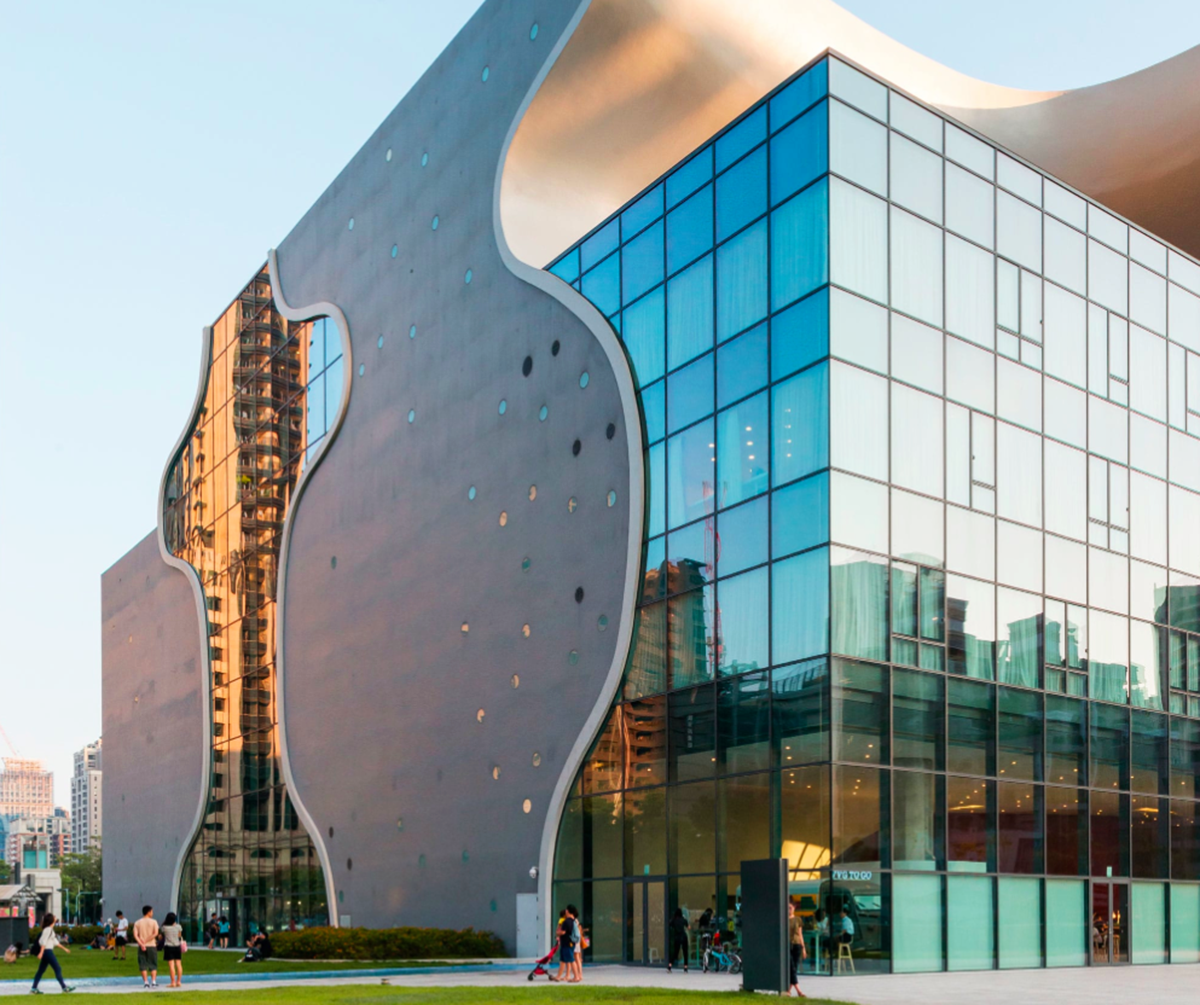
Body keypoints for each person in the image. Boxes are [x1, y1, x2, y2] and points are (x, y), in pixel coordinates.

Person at [30, 912, 75, 994]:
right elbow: (43, 941)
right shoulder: (48, 930)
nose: (55, 917)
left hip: (46, 952)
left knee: (41, 971)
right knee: (57, 968)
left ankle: (34, 988)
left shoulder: (50, 930)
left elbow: (55, 942)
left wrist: (65, 949)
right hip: (47, 952)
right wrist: (41, 952)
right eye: (54, 917)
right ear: (51, 920)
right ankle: (64, 987)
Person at [132, 905, 160, 989]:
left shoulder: (137, 922)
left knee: (142, 964)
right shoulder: (154, 922)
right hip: (151, 945)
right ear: (149, 912)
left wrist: (141, 943)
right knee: (153, 964)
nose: (152, 913)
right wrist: (146, 940)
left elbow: (135, 935)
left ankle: (146, 982)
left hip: (141, 946)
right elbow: (155, 933)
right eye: (152, 911)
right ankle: (153, 982)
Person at [787, 901, 807, 998]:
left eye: (790, 908)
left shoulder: (798, 919)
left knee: (794, 968)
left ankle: (788, 990)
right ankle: (799, 991)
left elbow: (800, 934)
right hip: (787, 945)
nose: (789, 910)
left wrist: (803, 948)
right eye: (787, 908)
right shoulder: (784, 920)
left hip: (797, 944)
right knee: (792, 967)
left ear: (794, 908)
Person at [161, 912, 185, 988]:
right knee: (179, 964)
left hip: (169, 946)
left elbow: (162, 935)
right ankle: (179, 981)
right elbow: (179, 935)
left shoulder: (164, 927)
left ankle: (173, 982)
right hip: (177, 946)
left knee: (171, 965)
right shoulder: (178, 926)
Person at [551, 909, 575, 982]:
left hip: (567, 943)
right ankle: (562, 975)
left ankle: (575, 976)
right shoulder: (571, 921)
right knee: (564, 960)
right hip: (568, 942)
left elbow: (561, 931)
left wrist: (558, 933)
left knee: (570, 960)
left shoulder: (565, 921)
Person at [666, 907, 689, 973]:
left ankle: (669, 966)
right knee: (685, 952)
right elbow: (688, 927)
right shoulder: (683, 919)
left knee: (675, 952)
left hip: (677, 937)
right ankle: (685, 967)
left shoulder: (674, 920)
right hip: (683, 936)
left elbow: (670, 924)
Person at [566, 905, 583, 983]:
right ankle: (580, 975)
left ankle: (575, 975)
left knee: (572, 958)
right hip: (577, 941)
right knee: (577, 958)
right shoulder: (576, 921)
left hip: (574, 941)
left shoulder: (573, 921)